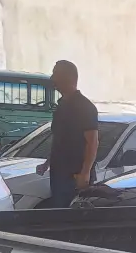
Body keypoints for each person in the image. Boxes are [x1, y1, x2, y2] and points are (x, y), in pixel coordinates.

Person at [36, 60, 99, 207]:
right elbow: (60, 140)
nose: (52, 78)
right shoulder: (61, 106)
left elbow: (92, 142)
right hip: (59, 173)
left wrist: (85, 173)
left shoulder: (85, 107)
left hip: (75, 175)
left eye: (55, 74)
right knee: (59, 212)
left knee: (74, 214)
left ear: (68, 77)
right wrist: (47, 163)